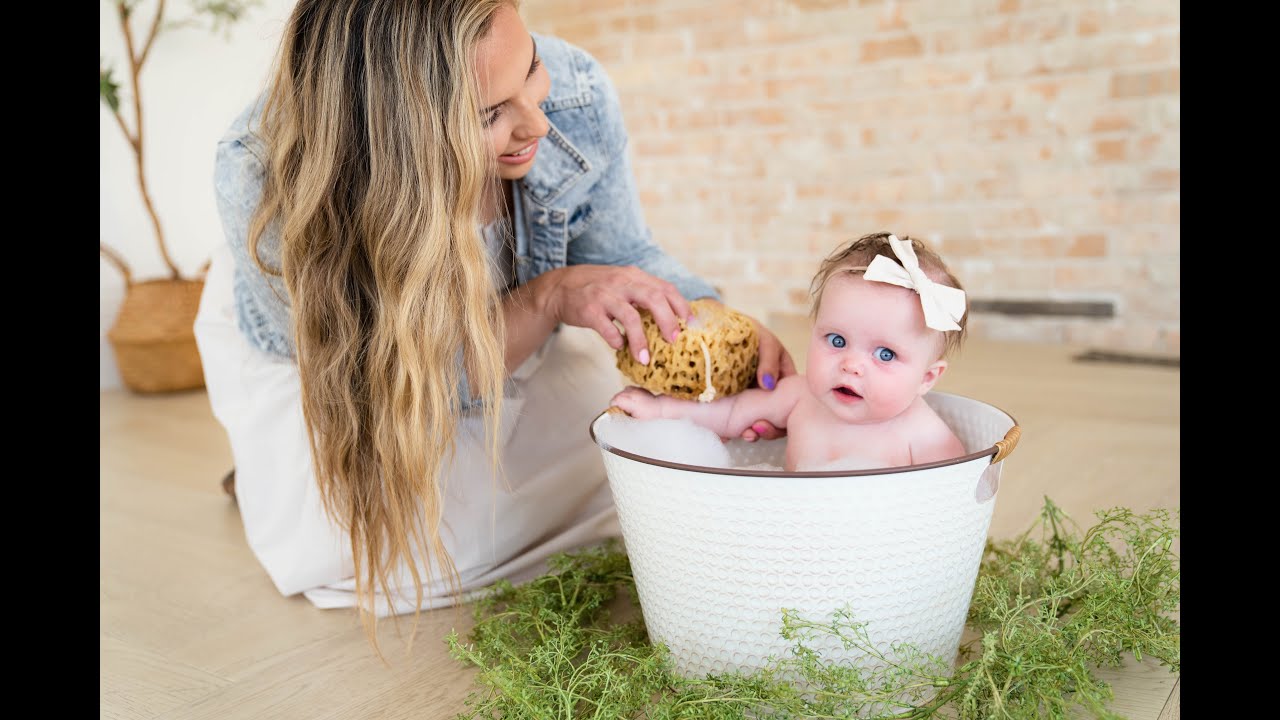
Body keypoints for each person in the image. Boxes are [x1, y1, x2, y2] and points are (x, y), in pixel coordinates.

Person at [193, 0, 795, 631]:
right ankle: (266, 469)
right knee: (386, 560)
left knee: (615, 471)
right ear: (394, 135)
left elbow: (625, 254)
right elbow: (417, 384)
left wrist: (708, 318)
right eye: (487, 115)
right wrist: (546, 297)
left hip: (502, 337)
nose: (538, 123)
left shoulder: (576, 93)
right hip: (353, 377)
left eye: (530, 68)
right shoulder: (266, 176)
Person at [611, 233, 969, 472]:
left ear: (926, 378)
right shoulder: (799, 395)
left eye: (885, 355)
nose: (851, 365)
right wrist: (662, 409)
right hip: (793, 544)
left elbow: (951, 500)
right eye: (837, 340)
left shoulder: (925, 435)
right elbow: (731, 412)